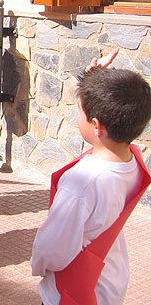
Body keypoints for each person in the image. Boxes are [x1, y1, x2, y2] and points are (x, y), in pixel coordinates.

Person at [31, 62, 151, 305]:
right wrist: (92, 82)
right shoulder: (133, 156)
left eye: (79, 110)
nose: (78, 115)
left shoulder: (82, 184)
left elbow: (52, 249)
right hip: (110, 282)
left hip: (73, 292)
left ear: (96, 125)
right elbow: (103, 141)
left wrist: (38, 265)